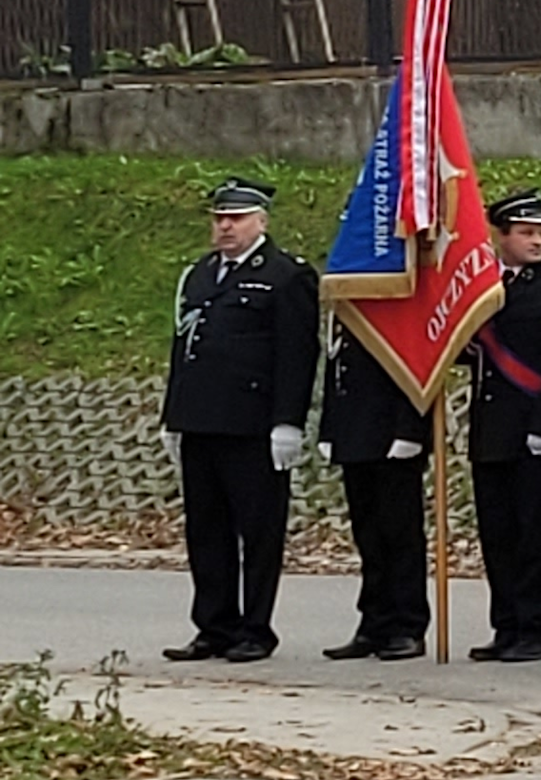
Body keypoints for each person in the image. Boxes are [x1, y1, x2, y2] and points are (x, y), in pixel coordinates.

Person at [161, 174, 320, 663]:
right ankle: (214, 626)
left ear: (261, 222)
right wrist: (173, 415)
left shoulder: (285, 275)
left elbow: (297, 353)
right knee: (206, 531)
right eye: (219, 218)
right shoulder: (199, 274)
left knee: (259, 532)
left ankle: (255, 628)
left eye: (236, 218)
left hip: (252, 425)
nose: (225, 227)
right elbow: (183, 347)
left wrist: (288, 422)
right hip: (200, 420)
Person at [462, 192, 541, 661]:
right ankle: (506, 624)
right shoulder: (479, 283)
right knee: (498, 533)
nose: (537, 241)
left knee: (536, 535)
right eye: (527, 233)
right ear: (501, 236)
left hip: (535, 428)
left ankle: (538, 628)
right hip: (492, 427)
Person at [315, 318, 431, 659]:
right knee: (369, 536)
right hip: (355, 432)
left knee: (401, 536)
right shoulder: (347, 312)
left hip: (392, 434)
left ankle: (407, 626)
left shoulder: (401, 310)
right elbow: (337, 370)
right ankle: (374, 622)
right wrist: (330, 428)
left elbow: (419, 368)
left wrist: (412, 429)